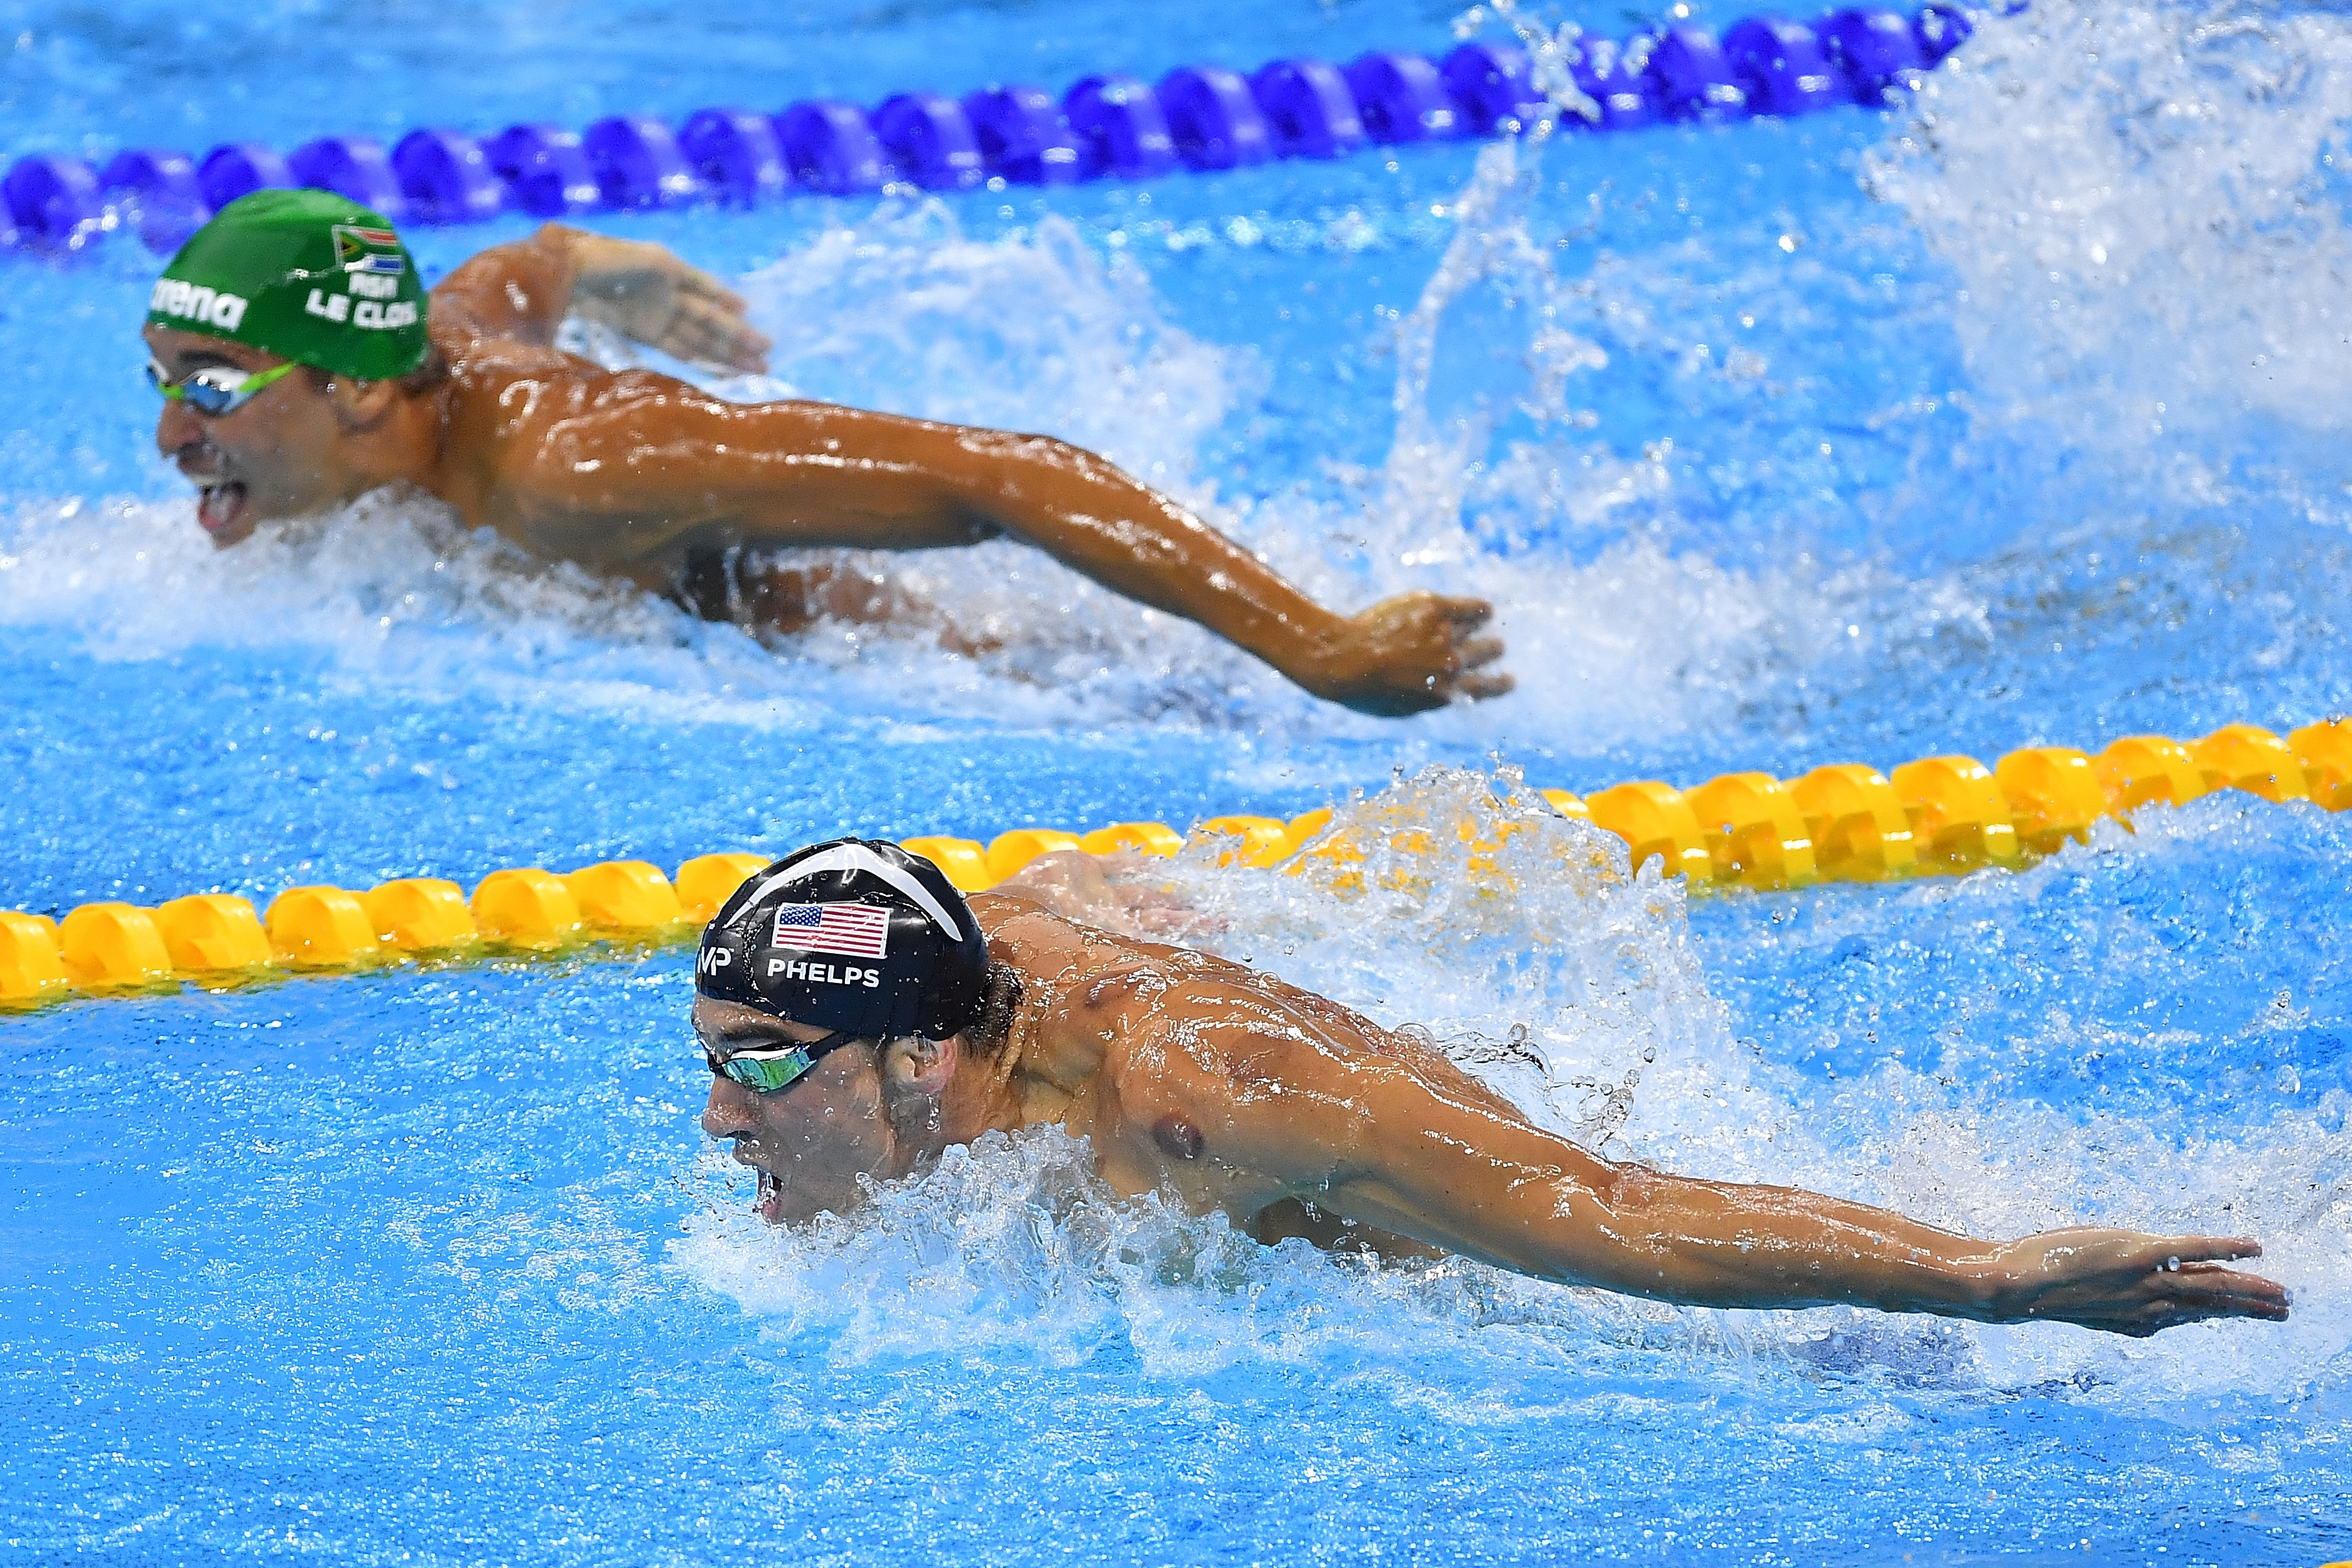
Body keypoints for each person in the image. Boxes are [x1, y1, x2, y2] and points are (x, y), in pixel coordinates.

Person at [693, 838, 2291, 1337]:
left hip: (1470, 1218)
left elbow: (1613, 1212)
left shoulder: (1198, 1101)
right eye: (712, 1061)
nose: (719, 1119)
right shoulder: (968, 966)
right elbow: (1034, 891)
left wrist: (1984, 1276)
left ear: (918, 1054)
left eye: (758, 1064)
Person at [139, 188, 1509, 715]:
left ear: (355, 391)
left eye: (206, 388)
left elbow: (1011, 472)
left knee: (1150, 695)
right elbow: (527, 264)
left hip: (927, 656)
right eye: (161, 386)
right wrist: (633, 281)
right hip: (693, 614)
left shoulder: (584, 464)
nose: (169, 436)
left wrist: (1319, 646)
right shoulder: (424, 351)